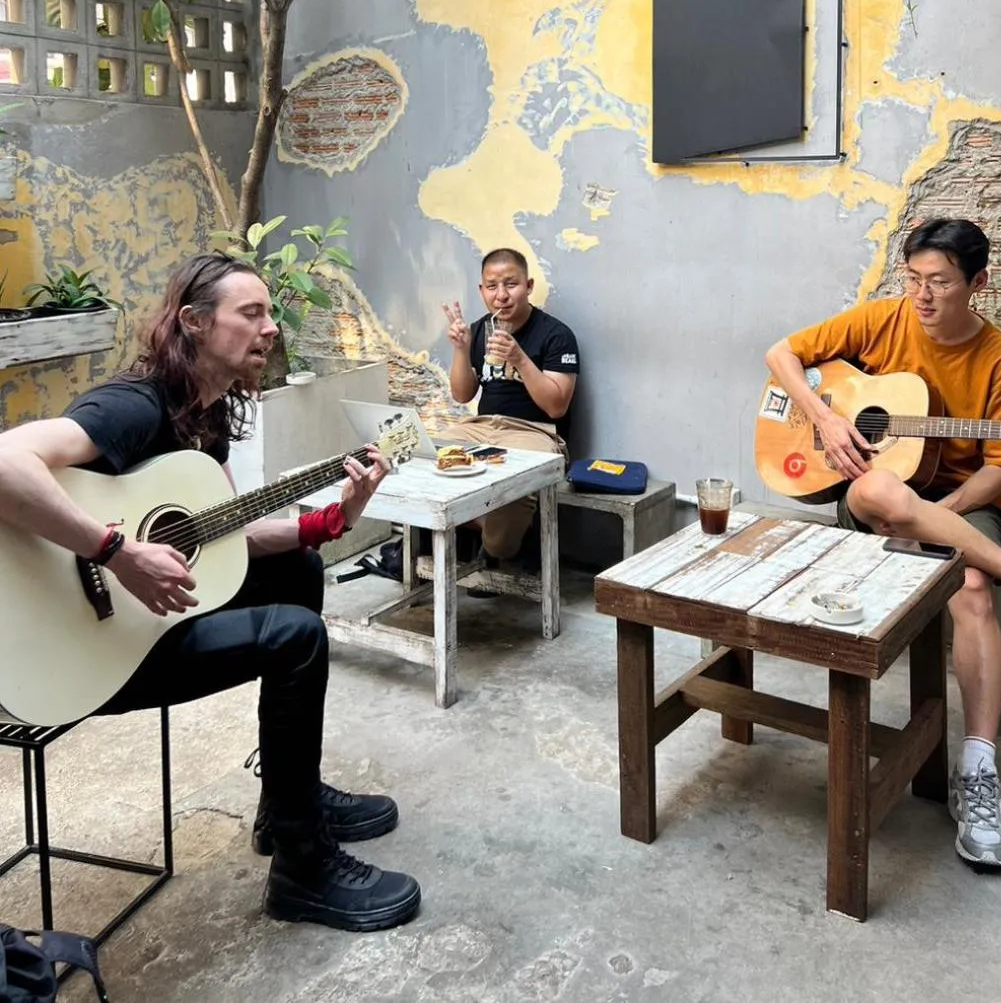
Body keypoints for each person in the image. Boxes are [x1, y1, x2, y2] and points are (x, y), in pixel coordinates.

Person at [0, 252, 421, 933]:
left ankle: (287, 802)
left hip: (132, 622)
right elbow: (4, 461)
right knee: (298, 637)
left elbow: (224, 538)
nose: (270, 329)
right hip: (79, 649)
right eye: (251, 313)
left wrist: (333, 518)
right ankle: (302, 868)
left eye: (269, 315)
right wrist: (113, 549)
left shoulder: (209, 414)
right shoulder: (133, 406)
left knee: (299, 571)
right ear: (194, 323)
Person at [765, 218, 1001, 871]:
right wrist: (827, 415)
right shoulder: (881, 320)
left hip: (960, 503)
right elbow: (779, 354)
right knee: (877, 488)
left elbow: (1000, 470)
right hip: (873, 496)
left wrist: (930, 514)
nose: (920, 296)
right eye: (913, 278)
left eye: (940, 283)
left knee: (972, 584)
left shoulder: (1000, 358)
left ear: (977, 283)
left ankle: (977, 769)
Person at [441, 247, 579, 568]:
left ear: (528, 286)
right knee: (427, 456)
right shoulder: (479, 329)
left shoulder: (557, 335)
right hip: (482, 426)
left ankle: (499, 542)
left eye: (511, 284)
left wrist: (519, 358)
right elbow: (463, 395)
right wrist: (461, 350)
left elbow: (556, 407)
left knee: (503, 536)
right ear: (482, 291)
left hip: (535, 432)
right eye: (492, 286)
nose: (501, 295)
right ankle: (494, 531)